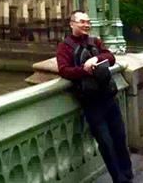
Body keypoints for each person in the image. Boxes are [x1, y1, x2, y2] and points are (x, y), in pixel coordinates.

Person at [57, 11, 134, 183]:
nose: (86, 25)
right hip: (90, 101)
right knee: (105, 142)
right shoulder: (64, 46)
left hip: (108, 96)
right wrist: (84, 70)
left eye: (88, 22)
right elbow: (64, 70)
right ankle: (119, 178)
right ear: (72, 24)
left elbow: (110, 57)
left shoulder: (95, 41)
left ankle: (128, 172)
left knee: (120, 136)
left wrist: (96, 59)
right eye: (82, 22)